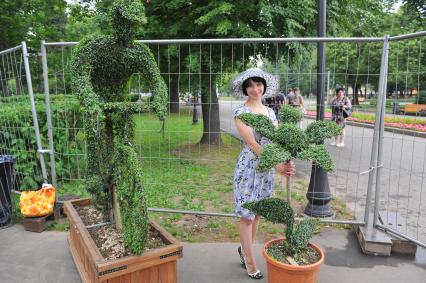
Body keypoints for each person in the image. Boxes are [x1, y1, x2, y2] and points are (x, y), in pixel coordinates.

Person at [231, 68, 296, 280]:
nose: (255, 88)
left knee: (257, 213)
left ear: (264, 87)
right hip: (249, 169)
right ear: (245, 89)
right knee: (247, 217)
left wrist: (286, 157)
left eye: (258, 84)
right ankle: (250, 261)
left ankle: (244, 250)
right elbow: (252, 143)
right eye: (250, 85)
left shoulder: (269, 113)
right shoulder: (241, 113)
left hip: (265, 170)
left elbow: (275, 141)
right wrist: (275, 165)